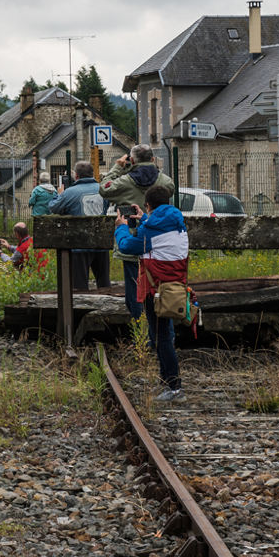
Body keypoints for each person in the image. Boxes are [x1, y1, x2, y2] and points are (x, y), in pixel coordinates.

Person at [114, 184, 186, 402]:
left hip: (156, 290)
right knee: (162, 336)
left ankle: (174, 387)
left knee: (161, 338)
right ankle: (168, 383)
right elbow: (158, 236)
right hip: (173, 287)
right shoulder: (177, 222)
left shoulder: (150, 232)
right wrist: (145, 217)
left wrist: (121, 227)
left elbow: (127, 246)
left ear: (148, 204)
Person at [99, 144, 175, 321]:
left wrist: (119, 167)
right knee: (156, 286)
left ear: (131, 160)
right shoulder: (163, 182)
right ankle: (156, 327)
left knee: (134, 289)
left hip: (132, 240)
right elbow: (169, 185)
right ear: (153, 159)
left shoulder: (125, 181)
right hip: (157, 242)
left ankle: (140, 327)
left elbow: (104, 188)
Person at [48, 160, 111, 291]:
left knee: (79, 287)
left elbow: (53, 208)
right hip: (101, 243)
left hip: (79, 244)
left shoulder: (69, 192)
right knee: (104, 283)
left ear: (76, 176)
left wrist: (59, 194)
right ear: (92, 174)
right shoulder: (102, 190)